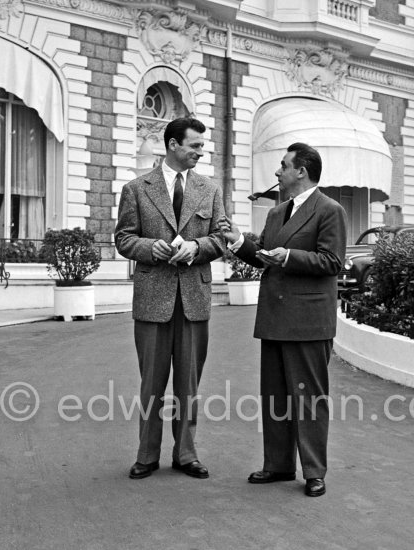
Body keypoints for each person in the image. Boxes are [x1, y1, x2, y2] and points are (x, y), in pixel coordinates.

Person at [218, 142, 347, 497]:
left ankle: (314, 471)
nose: (277, 172)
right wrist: (240, 241)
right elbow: (264, 257)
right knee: (274, 396)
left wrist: (289, 256)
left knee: (308, 398)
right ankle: (277, 465)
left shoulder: (329, 210)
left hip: (308, 321)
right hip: (275, 317)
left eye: (283, 165)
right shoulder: (277, 214)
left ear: (301, 171)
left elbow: (332, 261)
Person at [115, 117, 225, 480]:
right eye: (194, 146)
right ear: (173, 145)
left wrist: (196, 246)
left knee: (188, 385)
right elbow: (124, 239)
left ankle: (186, 454)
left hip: (194, 299)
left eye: (201, 146)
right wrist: (151, 247)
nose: (200, 152)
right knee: (152, 383)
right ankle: (147, 455)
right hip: (152, 299)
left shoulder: (209, 189)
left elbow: (221, 239)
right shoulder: (136, 188)